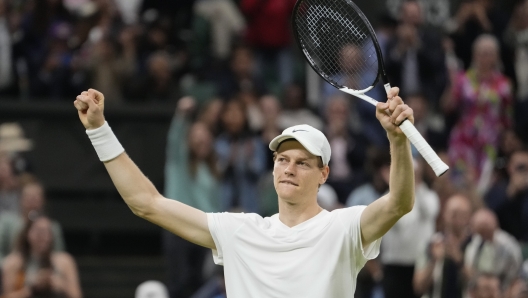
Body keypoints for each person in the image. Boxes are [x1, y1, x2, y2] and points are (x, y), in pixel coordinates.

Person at [72, 86, 415, 297]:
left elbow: (398, 203)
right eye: (282, 159)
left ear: (324, 174)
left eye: (302, 163)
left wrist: (398, 141)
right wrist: (99, 131)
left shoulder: (344, 227)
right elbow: (146, 203)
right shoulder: (240, 231)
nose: (289, 168)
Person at [162, 96, 221, 298]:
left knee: (201, 282)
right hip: (178, 227)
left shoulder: (213, 168)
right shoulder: (179, 162)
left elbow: (215, 203)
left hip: (204, 231)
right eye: (195, 135)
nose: (200, 139)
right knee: (179, 281)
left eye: (204, 135)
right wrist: (181, 114)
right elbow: (175, 139)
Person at [1, 215, 81, 298]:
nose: (42, 236)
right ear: (27, 233)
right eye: (38, 231)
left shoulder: (65, 262)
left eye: (46, 231)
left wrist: (59, 284)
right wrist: (31, 289)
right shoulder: (13, 263)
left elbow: (77, 295)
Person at [413, 194, 473, 298]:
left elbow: (481, 285)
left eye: (461, 214)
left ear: (469, 217)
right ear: (445, 214)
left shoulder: (479, 245)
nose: (457, 219)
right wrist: (434, 261)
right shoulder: (430, 244)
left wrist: (459, 262)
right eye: (453, 214)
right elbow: (418, 287)